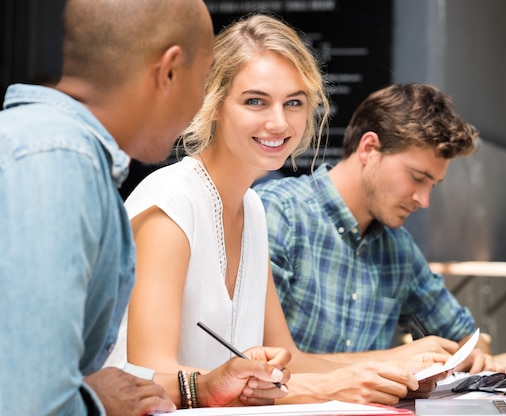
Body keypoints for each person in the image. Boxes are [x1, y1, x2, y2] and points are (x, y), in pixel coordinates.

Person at [110, 13, 450, 407]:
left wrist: (393, 373)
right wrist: (326, 388)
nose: (278, 122)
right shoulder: (171, 203)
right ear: (213, 103)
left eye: (294, 103)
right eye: (255, 101)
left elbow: (294, 360)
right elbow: (153, 383)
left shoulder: (251, 209)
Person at [0, 1, 290, 414]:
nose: (200, 104)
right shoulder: (57, 163)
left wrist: (197, 389)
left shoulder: (54, 152)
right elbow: (33, 400)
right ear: (169, 70)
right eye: (205, 77)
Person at [254, 82, 506, 373]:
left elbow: (468, 337)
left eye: (432, 185)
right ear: (369, 148)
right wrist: (395, 358)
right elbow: (259, 363)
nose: (424, 200)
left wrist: (476, 357)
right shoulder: (278, 214)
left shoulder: (398, 248)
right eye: (416, 177)